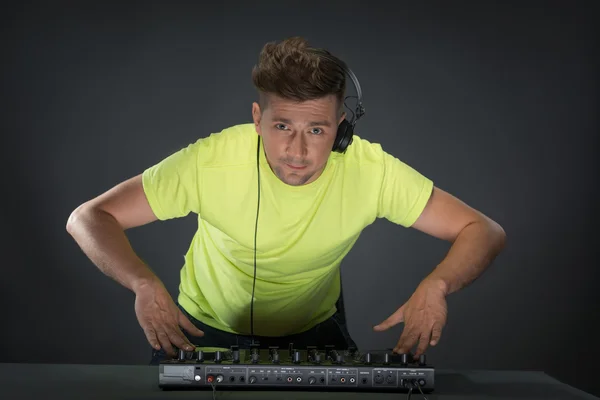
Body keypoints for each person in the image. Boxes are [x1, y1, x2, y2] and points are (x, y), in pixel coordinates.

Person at [66, 37, 506, 365]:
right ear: (258, 120)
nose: (297, 152)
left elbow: (482, 230)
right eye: (281, 127)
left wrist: (437, 285)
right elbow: (89, 217)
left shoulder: (371, 170)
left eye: (316, 130)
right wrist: (142, 282)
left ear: (341, 128)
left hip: (316, 335)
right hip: (202, 333)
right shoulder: (209, 160)